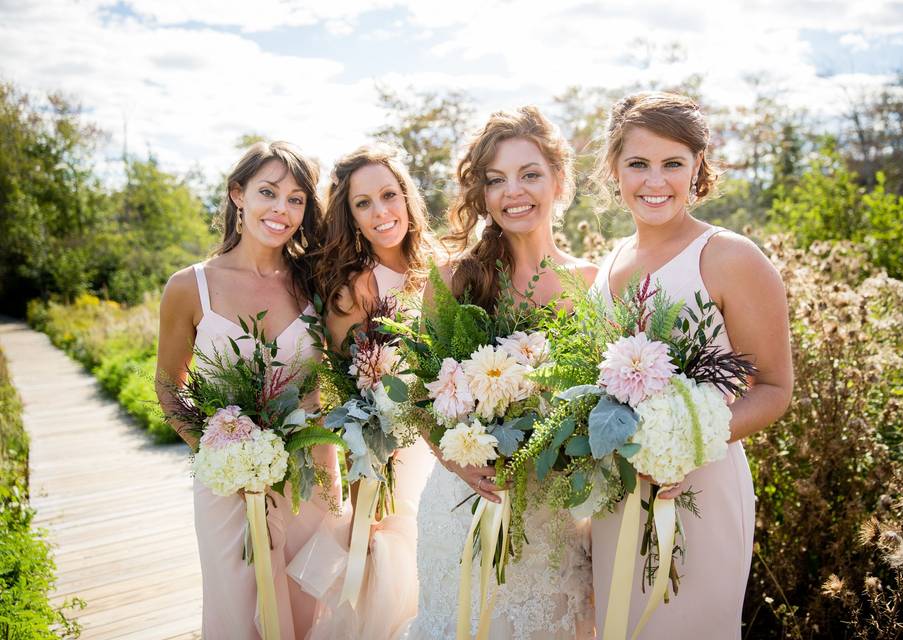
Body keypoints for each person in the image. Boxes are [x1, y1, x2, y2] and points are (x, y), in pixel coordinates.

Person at [589, 92, 794, 637]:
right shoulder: (608, 264)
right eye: (638, 163)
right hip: (618, 494)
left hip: (700, 489)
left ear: (697, 167)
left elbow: (773, 388)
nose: (655, 181)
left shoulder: (731, 257)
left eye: (672, 164)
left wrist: (680, 441)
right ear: (614, 169)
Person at [404, 106, 597, 640]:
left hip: (553, 518)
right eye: (496, 180)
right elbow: (422, 398)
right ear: (482, 193)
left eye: (530, 174)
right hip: (467, 500)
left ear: (559, 181)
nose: (514, 192)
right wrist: (457, 461)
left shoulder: (593, 283)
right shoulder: (454, 279)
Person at [155, 141, 342, 640]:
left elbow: (329, 387)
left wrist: (335, 476)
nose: (281, 209)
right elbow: (169, 385)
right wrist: (221, 456)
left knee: (307, 608)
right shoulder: (188, 286)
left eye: (297, 199)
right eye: (268, 192)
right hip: (226, 483)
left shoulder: (316, 284)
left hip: (310, 476)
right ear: (238, 195)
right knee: (237, 612)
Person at [295, 143, 438, 639]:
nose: (381, 213)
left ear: (407, 198)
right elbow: (345, 390)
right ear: (351, 216)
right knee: (388, 572)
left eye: (389, 195)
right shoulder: (354, 288)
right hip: (391, 455)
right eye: (363, 204)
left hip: (447, 452)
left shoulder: (443, 269)